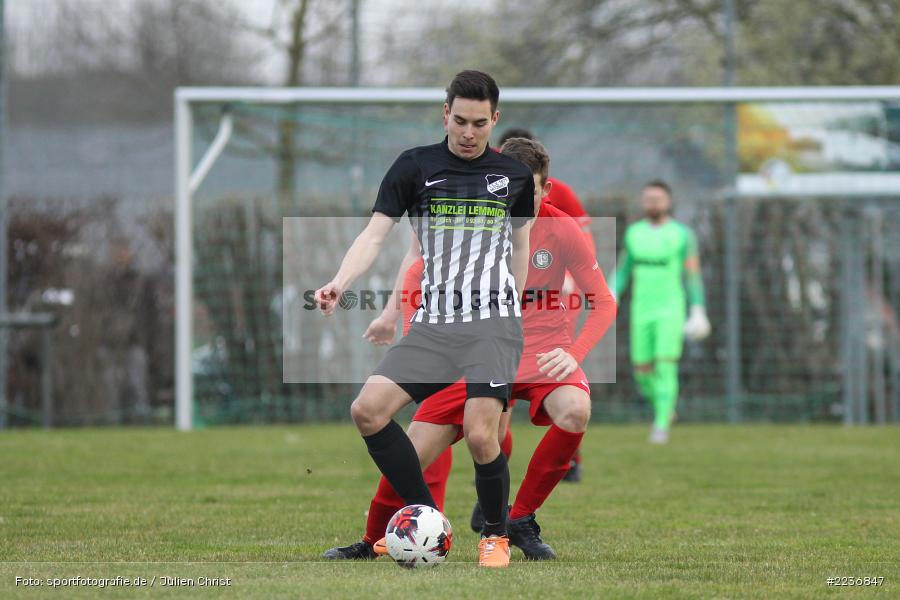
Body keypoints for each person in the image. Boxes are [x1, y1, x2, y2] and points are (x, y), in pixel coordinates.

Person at [323, 137, 615, 562]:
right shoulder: (474, 226)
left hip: (540, 352)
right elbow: (418, 270)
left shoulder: (561, 228)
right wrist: (406, 326)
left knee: (573, 409)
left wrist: (576, 352)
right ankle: (375, 539)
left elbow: (603, 301)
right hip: (471, 345)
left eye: (527, 191)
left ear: (545, 190)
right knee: (415, 450)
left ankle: (517, 520)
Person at [315, 70, 534, 568]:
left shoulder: (513, 178)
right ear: (445, 115)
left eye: (480, 123)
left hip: (493, 323)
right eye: (460, 120)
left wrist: (512, 308)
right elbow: (374, 236)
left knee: (481, 433)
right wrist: (339, 282)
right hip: (435, 324)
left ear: (494, 120)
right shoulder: (413, 166)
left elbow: (519, 244)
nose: (469, 132)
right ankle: (426, 515)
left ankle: (495, 537)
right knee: (368, 410)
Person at [496, 127, 595, 483]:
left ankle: (571, 459)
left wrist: (571, 280)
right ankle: (495, 482)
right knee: (488, 429)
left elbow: (581, 239)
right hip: (496, 326)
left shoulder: (561, 200)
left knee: (571, 402)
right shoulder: (484, 202)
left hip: (550, 304)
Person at [614, 180, 710, 444]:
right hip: (640, 308)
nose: (652, 203)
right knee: (642, 369)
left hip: (670, 308)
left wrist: (698, 309)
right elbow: (623, 270)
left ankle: (660, 426)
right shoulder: (634, 233)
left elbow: (692, 275)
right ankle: (665, 408)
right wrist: (611, 292)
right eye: (648, 198)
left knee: (665, 364)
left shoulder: (682, 234)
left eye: (658, 198)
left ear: (668, 202)